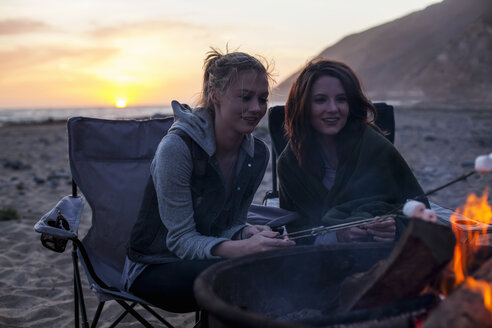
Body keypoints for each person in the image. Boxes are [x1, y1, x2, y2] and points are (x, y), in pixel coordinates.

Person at [122, 48, 295, 312]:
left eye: (262, 99)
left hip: (209, 256)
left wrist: (246, 232)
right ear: (215, 95)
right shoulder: (178, 149)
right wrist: (241, 248)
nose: (256, 108)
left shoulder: (256, 154)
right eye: (245, 97)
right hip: (155, 263)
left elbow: (226, 225)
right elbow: (180, 239)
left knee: (277, 262)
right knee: (241, 277)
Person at [278, 58, 428, 244]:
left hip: (380, 259)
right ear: (303, 106)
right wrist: (337, 236)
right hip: (317, 265)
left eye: (341, 99)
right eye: (320, 100)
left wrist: (394, 230)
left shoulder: (376, 149)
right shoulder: (290, 162)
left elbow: (420, 210)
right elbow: (296, 232)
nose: (333, 109)